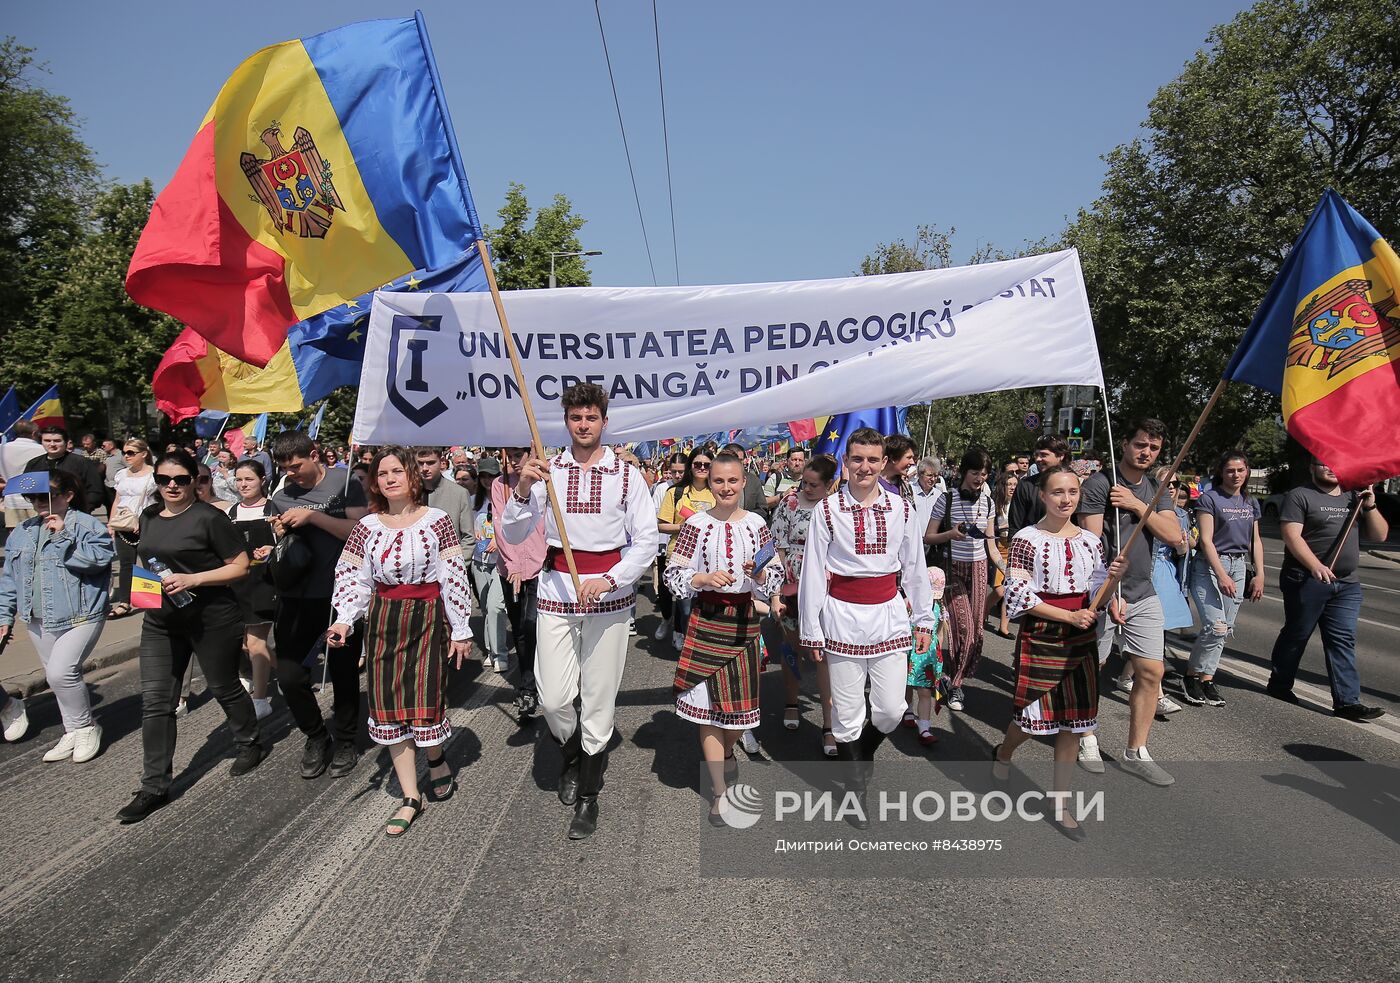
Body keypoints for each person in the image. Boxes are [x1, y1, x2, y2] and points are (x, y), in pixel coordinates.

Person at [501, 383, 658, 841]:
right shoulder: (547, 470)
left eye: (591, 418)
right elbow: (513, 533)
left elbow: (646, 540)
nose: (583, 425)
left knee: (598, 696)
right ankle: (574, 754)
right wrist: (525, 488)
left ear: (603, 422)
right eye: (575, 418)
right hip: (555, 591)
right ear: (566, 421)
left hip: (608, 597)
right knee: (553, 697)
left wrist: (610, 578)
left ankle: (589, 793)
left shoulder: (626, 475)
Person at [328, 447, 473, 837]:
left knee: (424, 703)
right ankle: (411, 796)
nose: (390, 478)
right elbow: (352, 577)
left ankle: (437, 758)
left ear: (412, 476)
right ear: (375, 482)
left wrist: (460, 629)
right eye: (382, 473)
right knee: (389, 706)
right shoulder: (367, 527)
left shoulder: (438, 521)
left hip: (426, 617)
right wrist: (344, 620)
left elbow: (453, 575)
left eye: (397, 471)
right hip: (383, 620)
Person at [798, 428, 934, 829]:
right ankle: (856, 791)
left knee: (892, 710)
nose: (864, 467)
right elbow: (813, 574)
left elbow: (914, 566)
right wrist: (811, 628)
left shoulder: (901, 509)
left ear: (883, 462)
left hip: (889, 616)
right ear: (846, 460)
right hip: (841, 616)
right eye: (857, 458)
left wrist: (923, 617)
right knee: (847, 714)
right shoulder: (827, 510)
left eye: (873, 459)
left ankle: (861, 752)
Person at [117, 450, 263, 823]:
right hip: (161, 622)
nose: (171, 486)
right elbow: (146, 561)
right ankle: (154, 786)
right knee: (156, 702)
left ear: (193, 481)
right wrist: (141, 595)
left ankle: (249, 742)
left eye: (180, 480)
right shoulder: (149, 516)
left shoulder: (209, 518)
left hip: (211, 619)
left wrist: (194, 579)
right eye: (164, 480)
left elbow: (240, 566)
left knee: (222, 686)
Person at [993, 466, 1117, 840]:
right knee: (1033, 717)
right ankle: (1003, 752)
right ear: (1043, 496)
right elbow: (1017, 596)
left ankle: (1059, 801)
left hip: (1081, 636)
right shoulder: (1026, 540)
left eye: (1073, 492)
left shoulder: (1092, 542)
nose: (1066, 499)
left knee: (1074, 723)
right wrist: (1068, 615)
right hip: (1045, 630)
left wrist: (1113, 582)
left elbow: (1098, 596)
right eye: (1058, 492)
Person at [665, 452, 785, 826]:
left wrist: (761, 577)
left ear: (744, 482)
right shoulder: (695, 525)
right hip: (706, 619)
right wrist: (700, 579)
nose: (726, 487)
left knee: (736, 716)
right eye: (719, 481)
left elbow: (776, 573)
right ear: (709, 482)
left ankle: (729, 754)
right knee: (709, 712)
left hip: (744, 622)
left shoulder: (757, 525)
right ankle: (719, 792)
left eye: (733, 481)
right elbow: (673, 575)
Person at [1076, 419, 1185, 785]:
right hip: (1105, 589)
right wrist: (1106, 597)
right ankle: (1085, 734)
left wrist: (1139, 505)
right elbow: (1090, 546)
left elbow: (1174, 535)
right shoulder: (1098, 484)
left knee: (1152, 672)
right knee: (1093, 665)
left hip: (1143, 591)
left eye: (1153, 448)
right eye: (1140, 445)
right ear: (1124, 443)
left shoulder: (1155, 487)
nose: (1146, 453)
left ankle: (1136, 751)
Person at [269, 431, 368, 781]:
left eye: (296, 466)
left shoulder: (346, 482)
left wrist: (312, 517)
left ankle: (344, 739)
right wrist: (280, 532)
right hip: (296, 597)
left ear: (315, 455)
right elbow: (282, 545)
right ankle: (315, 735)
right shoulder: (281, 497)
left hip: (341, 597)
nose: (292, 474)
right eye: (285, 468)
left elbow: (360, 531)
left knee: (342, 673)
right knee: (290, 676)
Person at [0, 469, 114, 763]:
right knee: (57, 678)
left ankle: (87, 726)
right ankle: (72, 730)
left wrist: (63, 535)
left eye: (46, 496)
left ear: (67, 496)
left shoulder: (86, 524)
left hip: (82, 613)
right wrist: (5, 618)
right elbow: (9, 580)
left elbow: (99, 561)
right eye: (33, 497)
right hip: (38, 617)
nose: (38, 502)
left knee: (61, 672)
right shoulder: (23, 532)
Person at [1267, 456, 1389, 720]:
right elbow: (1291, 535)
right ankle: (1279, 684)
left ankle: (1347, 701)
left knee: (1342, 640)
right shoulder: (1300, 496)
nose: (1330, 468)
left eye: (1335, 463)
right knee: (1297, 634)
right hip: (1306, 579)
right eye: (1324, 463)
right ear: (1312, 468)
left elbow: (1380, 536)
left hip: (1346, 583)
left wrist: (1370, 506)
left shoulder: (1353, 496)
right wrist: (1315, 566)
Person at [769, 454, 840, 756]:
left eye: (813, 485)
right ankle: (791, 701)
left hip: (828, 585)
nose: (806, 489)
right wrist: (784, 584)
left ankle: (828, 724)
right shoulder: (789, 504)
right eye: (804, 483)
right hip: (793, 582)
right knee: (793, 647)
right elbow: (777, 543)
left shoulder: (836, 509)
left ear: (829, 485)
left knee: (826, 656)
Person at [1180, 452, 1263, 707]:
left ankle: (1207, 678)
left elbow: (1255, 541)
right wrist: (1221, 574)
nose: (1235, 475)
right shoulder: (1210, 498)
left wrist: (1260, 574)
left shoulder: (1251, 502)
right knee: (1215, 627)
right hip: (1210, 566)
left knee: (1225, 628)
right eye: (1230, 471)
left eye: (1240, 470)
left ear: (1247, 471)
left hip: (1238, 565)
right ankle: (1191, 676)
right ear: (1221, 472)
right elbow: (1205, 540)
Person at [923, 447, 998, 712]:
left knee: (977, 631)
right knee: (963, 628)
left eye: (985, 473)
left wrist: (1005, 568)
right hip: (953, 567)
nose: (980, 478)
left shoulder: (988, 502)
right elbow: (928, 536)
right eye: (975, 472)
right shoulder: (947, 499)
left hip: (979, 568)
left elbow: (990, 545)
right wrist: (950, 534)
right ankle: (953, 683)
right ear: (965, 471)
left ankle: (954, 680)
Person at [221, 460, 279, 719]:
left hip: (264, 582)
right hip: (237, 584)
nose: (243, 484)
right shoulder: (230, 512)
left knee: (255, 643)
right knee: (246, 645)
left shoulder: (273, 508)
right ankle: (290, 673)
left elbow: (288, 543)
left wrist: (272, 550)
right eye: (239, 480)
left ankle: (260, 699)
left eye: (249, 479)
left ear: (262, 480)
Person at [493, 447, 546, 718]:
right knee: (520, 629)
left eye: (519, 454)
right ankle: (527, 685)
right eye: (510, 455)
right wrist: (513, 563)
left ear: (532, 452)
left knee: (534, 623)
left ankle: (536, 683)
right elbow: (500, 526)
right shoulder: (499, 484)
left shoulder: (546, 482)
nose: (514, 461)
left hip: (541, 566)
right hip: (509, 569)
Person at [657, 449, 716, 651]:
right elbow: (661, 525)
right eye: (697, 464)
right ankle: (690, 648)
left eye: (706, 465)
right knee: (686, 609)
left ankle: (702, 647)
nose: (701, 468)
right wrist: (683, 527)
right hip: (682, 556)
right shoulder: (675, 493)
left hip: (710, 558)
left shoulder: (718, 491)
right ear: (690, 466)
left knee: (709, 607)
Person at [106, 439, 158, 620]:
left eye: (131, 453)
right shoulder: (121, 474)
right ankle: (124, 602)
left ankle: (150, 602)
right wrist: (111, 522)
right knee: (126, 564)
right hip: (123, 524)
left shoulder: (154, 475)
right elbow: (118, 499)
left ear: (143, 454)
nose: (126, 456)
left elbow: (159, 501)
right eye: (124, 452)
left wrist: (144, 521)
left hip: (147, 523)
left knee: (149, 563)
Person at [469, 456, 510, 673]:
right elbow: (466, 527)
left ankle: (500, 654)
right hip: (479, 561)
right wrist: (472, 533)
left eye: (491, 475)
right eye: (483, 475)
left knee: (496, 607)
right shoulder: (473, 500)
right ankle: (491, 651)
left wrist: (498, 539)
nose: (487, 480)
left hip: (501, 562)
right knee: (486, 608)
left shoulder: (505, 497)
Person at [905, 566, 947, 746]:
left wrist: (939, 655)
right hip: (909, 650)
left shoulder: (940, 607)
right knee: (904, 684)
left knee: (924, 691)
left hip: (928, 655)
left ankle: (924, 727)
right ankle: (907, 709)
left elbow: (939, 632)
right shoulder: (909, 603)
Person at [25, 426, 105, 514]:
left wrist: (83, 508)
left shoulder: (82, 462)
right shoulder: (34, 464)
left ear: (66, 442)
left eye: (57, 441)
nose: (52, 444)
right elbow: (26, 489)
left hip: (75, 514)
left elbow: (95, 490)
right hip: (42, 513)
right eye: (47, 441)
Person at [650, 453, 686, 645]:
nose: (678, 475)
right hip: (664, 546)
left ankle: (679, 631)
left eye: (681, 471)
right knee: (665, 590)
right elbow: (655, 517)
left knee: (682, 590)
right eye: (674, 472)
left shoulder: (691, 490)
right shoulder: (662, 489)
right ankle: (666, 618)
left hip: (685, 549)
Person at [415, 446, 476, 553]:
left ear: (442, 461)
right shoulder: (409, 493)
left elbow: (468, 537)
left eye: (430, 463)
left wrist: (458, 564)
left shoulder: (459, 493)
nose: (424, 468)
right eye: (420, 463)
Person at [1007, 436, 1069, 536]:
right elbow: (1015, 527)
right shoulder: (1026, 485)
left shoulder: (1076, 484)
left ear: (1061, 455)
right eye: (1036, 455)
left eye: (1044, 455)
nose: (1038, 459)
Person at [985, 469, 1019, 632]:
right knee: (999, 590)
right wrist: (1001, 527)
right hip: (998, 547)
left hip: (1013, 547)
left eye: (1015, 484)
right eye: (1009, 484)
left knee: (1009, 588)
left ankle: (1003, 627)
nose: (1012, 487)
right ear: (1002, 486)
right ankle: (983, 612)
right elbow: (987, 529)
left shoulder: (1020, 504)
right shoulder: (995, 503)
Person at [2, 420, 44, 532]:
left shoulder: (2, 449)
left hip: (11, 499)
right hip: (38, 500)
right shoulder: (43, 450)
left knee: (15, 538)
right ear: (34, 433)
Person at [722, 442, 768, 519]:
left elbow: (762, 509)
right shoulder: (716, 480)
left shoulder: (753, 480)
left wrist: (743, 517)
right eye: (734, 459)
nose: (737, 463)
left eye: (740, 460)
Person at [910, 457, 945, 545]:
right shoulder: (909, 492)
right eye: (929, 475)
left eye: (936, 476)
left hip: (932, 545)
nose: (933, 479)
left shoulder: (939, 495)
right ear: (920, 474)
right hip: (913, 542)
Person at [880, 434, 916, 499]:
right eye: (909, 457)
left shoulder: (906, 489)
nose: (912, 462)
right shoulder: (871, 484)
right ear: (893, 458)